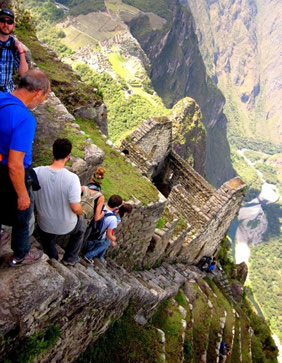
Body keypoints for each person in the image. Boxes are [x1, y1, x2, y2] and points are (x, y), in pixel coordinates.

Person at [0, 69, 50, 267]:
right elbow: (15, 164)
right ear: (38, 93)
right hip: (8, 173)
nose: (42, 101)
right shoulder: (25, 119)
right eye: (44, 97)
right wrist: (22, 194)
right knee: (22, 217)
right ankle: (20, 255)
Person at [34, 138, 87, 266]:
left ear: (53, 152)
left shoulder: (36, 172)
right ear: (68, 156)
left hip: (44, 224)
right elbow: (75, 207)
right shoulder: (72, 179)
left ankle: (53, 258)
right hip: (66, 225)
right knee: (82, 227)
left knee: (47, 239)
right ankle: (70, 258)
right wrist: (81, 212)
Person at [84, 195, 122, 265]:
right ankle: (89, 255)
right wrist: (113, 238)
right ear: (117, 206)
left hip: (89, 233)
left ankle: (88, 251)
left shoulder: (100, 207)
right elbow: (108, 234)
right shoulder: (113, 219)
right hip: (97, 237)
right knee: (107, 242)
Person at [0, 9, 28, 92]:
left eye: (9, 22)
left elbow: (23, 74)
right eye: (2, 21)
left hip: (7, 91)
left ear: (13, 26)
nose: (6, 24)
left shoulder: (13, 45)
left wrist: (21, 51)